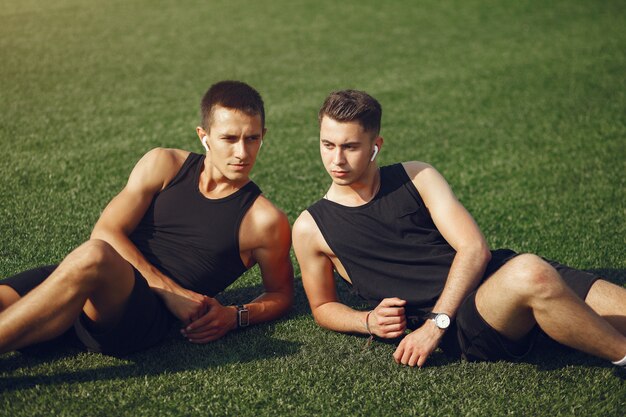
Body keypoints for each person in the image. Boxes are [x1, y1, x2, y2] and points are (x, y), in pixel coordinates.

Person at [292, 89, 626, 368]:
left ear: (375, 145)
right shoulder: (311, 226)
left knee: (537, 274)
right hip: (468, 323)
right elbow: (322, 307)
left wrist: (435, 324)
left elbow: (473, 249)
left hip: (497, 278)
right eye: (327, 145)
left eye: (350, 147)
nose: (336, 160)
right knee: (531, 272)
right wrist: (366, 321)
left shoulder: (417, 176)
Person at [0, 80, 293, 356]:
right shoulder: (164, 164)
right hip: (92, 280)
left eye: (252, 138)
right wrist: (170, 291)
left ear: (262, 136)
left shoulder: (265, 220)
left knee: (94, 254)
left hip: (139, 317)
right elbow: (106, 230)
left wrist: (235, 315)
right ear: (204, 137)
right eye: (229, 138)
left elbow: (280, 293)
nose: (242, 152)